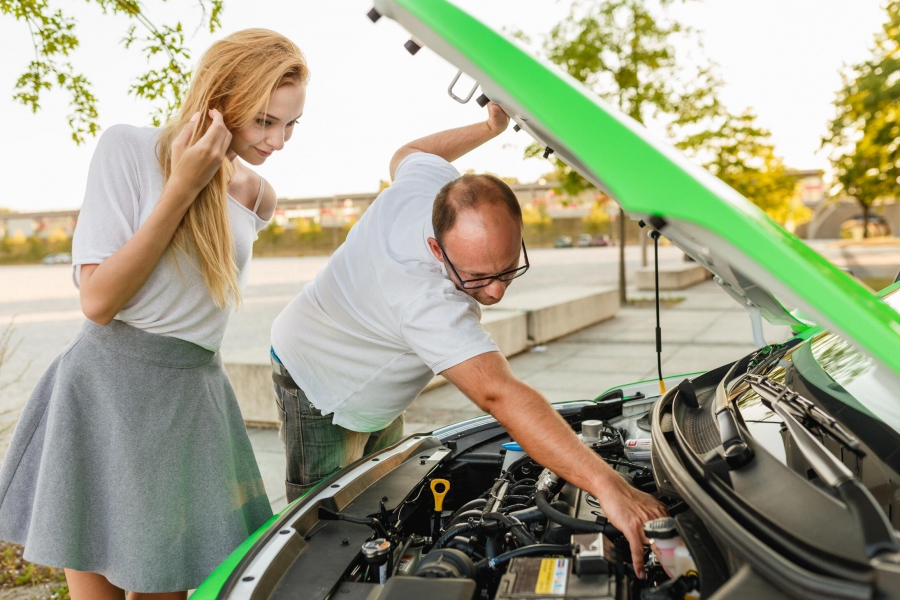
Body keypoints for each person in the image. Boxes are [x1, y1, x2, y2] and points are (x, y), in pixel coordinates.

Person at [270, 104, 667, 578]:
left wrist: (488, 127)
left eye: (508, 268)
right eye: (477, 277)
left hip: (369, 364)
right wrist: (609, 486)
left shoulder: (428, 185)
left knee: (386, 502)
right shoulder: (423, 297)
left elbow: (407, 152)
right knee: (325, 539)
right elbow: (499, 393)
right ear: (436, 249)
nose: (496, 292)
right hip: (316, 375)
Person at [0, 29, 308, 599]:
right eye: (265, 121)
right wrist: (183, 186)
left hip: (190, 401)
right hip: (104, 392)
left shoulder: (256, 194)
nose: (279, 141)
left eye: (292, 124)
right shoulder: (128, 149)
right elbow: (98, 302)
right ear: (221, 100)